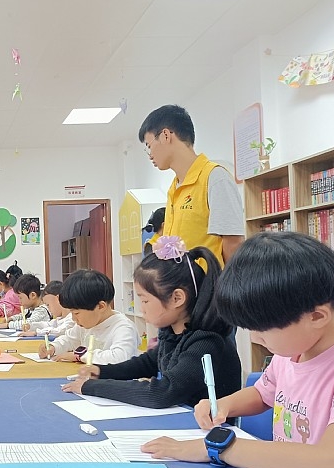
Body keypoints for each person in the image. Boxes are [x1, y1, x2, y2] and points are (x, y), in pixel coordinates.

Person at [142, 233, 334, 468]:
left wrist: (219, 447)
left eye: (262, 329)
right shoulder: (293, 352)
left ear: (316, 317)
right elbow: (263, 393)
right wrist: (225, 405)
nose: (255, 338)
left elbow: (333, 465)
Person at [62, 237, 241, 408]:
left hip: (208, 427)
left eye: (145, 300)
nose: (142, 308)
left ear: (177, 298)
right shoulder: (173, 333)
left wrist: (92, 387)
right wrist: (102, 371)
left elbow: (162, 392)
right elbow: (148, 362)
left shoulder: (207, 342)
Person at [138, 105, 244, 266]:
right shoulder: (174, 187)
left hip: (210, 281)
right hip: (181, 281)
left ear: (165, 135)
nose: (150, 155)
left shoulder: (215, 177)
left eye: (149, 145)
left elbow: (233, 243)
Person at [40, 270, 138, 365]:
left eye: (76, 313)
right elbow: (69, 340)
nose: (73, 319)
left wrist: (79, 355)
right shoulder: (86, 325)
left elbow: (119, 357)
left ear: (101, 306)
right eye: (71, 312)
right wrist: (53, 347)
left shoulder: (123, 328)